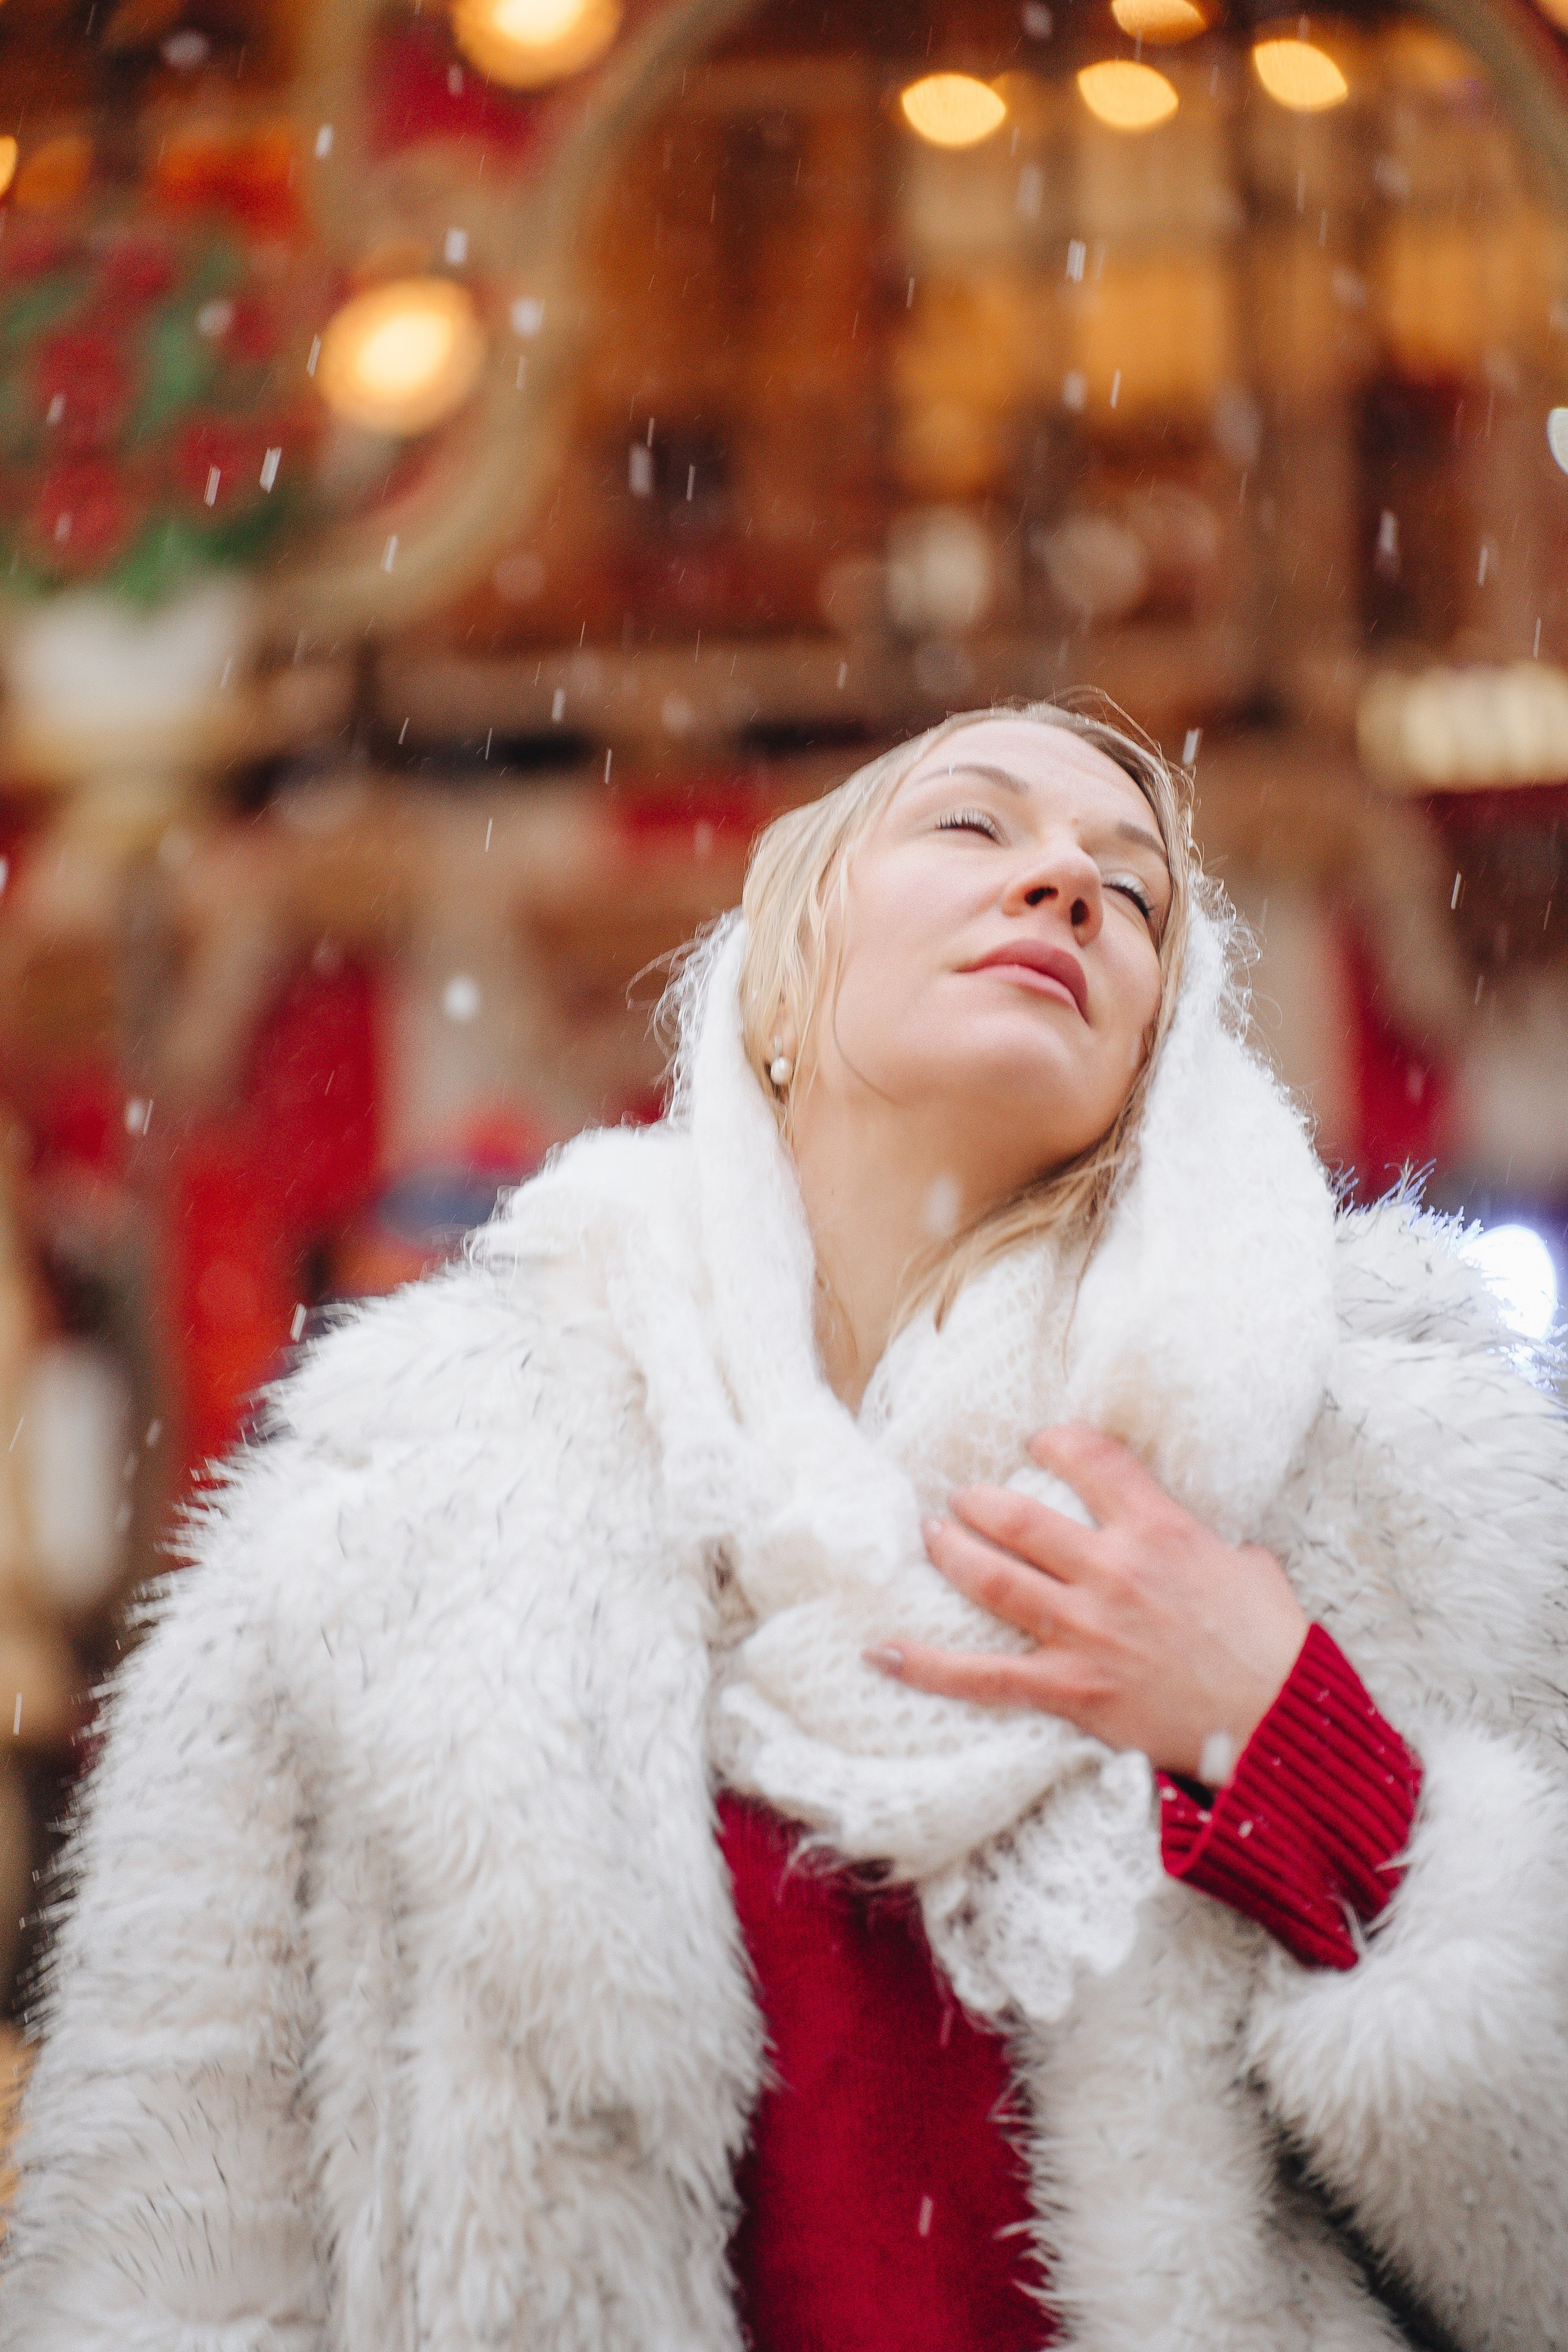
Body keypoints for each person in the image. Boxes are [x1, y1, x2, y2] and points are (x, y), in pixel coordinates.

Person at [3, 701, 1566, 2352]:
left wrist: (1294, 1740)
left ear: (1163, 1050)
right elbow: (175, 2246)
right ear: (783, 969)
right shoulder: (398, 1504)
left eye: (1136, 892)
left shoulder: (1374, 1486)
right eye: (974, 825)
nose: (1067, 885)